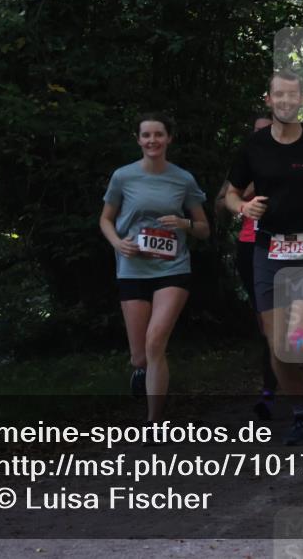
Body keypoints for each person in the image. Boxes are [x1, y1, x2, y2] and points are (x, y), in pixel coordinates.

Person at [225, 70, 303, 445]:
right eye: (278, 95)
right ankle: (300, 413)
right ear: (269, 99)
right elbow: (230, 193)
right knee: (278, 341)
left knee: (302, 334)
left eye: (291, 95)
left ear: (301, 100)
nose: (284, 101)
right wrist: (243, 208)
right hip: (268, 249)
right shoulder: (254, 146)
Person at [99, 112, 210, 422]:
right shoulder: (123, 176)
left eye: (158, 135)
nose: (152, 141)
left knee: (155, 342)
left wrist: (184, 223)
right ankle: (141, 371)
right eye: (146, 135)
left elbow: (204, 228)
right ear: (138, 140)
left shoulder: (182, 178)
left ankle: (154, 422)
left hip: (172, 269)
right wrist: (117, 243)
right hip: (132, 268)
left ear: (169, 138)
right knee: (140, 355)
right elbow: (105, 219)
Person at [214, 115, 279, 418]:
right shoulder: (244, 164)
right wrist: (243, 194)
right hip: (251, 246)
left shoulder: (295, 160)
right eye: (257, 130)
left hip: (291, 246)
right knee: (266, 324)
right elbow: (218, 205)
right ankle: (269, 391)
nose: (262, 134)